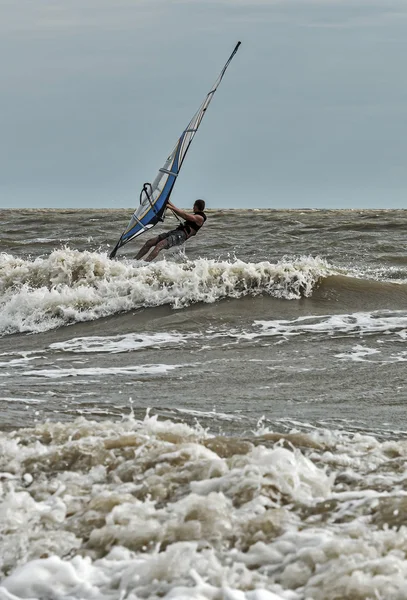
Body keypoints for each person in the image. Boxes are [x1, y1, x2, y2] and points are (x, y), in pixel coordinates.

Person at [135, 199, 207, 262]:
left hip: (181, 236)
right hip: (175, 232)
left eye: (194, 205)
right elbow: (177, 210)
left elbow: (184, 215)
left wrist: (170, 207)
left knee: (160, 245)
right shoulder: (196, 215)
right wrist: (168, 201)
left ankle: (145, 263)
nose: (193, 207)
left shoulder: (200, 218)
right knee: (149, 242)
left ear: (197, 206)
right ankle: (134, 261)